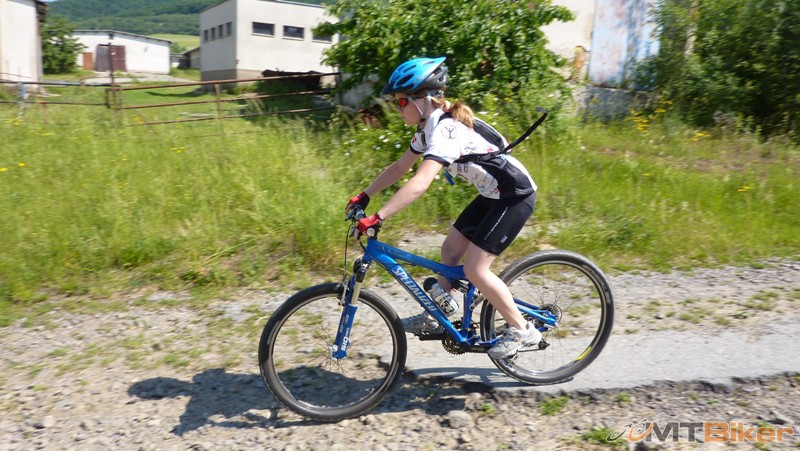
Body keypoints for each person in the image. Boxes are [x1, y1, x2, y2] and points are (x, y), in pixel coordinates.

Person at [345, 57, 541, 359]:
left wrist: (378, 217)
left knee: (475, 268)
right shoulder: (429, 127)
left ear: (423, 100)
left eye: (400, 101)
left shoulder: (447, 130)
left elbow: (421, 181)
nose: (397, 108)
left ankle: (523, 330)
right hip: (492, 194)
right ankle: (437, 316)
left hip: (514, 195)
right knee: (450, 250)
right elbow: (400, 167)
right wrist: (365, 195)